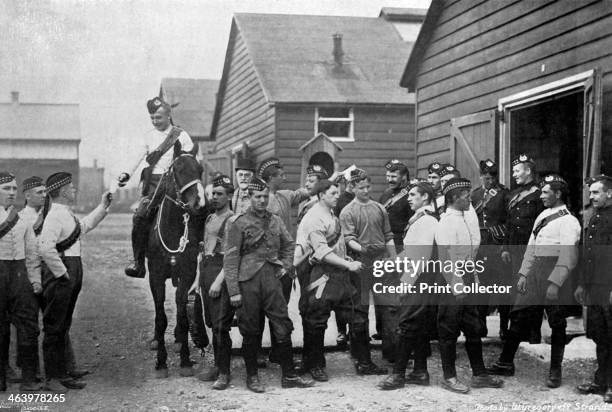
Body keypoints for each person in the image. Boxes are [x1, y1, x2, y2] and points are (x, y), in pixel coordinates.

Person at [488, 174, 580, 388]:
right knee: (519, 315)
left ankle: (555, 371)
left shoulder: (569, 221)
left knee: (557, 322)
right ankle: (505, 362)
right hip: (536, 271)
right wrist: (523, 274)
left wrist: (555, 283)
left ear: (558, 194)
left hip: (556, 274)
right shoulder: (541, 216)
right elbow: (531, 247)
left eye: (546, 192)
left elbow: (569, 256)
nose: (542, 196)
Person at [224, 177, 313, 393]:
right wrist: (234, 291)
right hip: (249, 281)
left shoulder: (275, 221)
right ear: (249, 198)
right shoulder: (238, 223)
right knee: (251, 329)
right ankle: (252, 376)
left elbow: (289, 244)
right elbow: (230, 259)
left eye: (265, 196)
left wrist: (286, 265)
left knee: (282, 326)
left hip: (272, 279)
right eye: (258, 197)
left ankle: (289, 375)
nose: (262, 200)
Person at [38, 172, 112, 392]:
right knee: (54, 326)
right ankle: (52, 378)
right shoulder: (54, 216)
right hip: (62, 273)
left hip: (71, 269)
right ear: (61, 191)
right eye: (71, 187)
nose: (74, 190)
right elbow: (45, 248)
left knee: (63, 325)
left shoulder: (64, 213)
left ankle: (62, 373)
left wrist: (102, 207)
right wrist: (61, 273)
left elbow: (83, 227)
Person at [435, 177, 503, 394]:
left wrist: (472, 279)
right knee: (448, 330)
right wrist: (456, 284)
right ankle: (449, 377)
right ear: (454, 198)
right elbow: (446, 257)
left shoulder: (465, 217)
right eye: (465, 195)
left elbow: (469, 255)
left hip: (466, 276)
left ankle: (480, 374)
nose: (469, 198)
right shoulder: (447, 221)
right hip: (451, 280)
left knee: (473, 328)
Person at [121, 97, 199, 279]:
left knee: (196, 210)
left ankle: (196, 252)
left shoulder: (181, 135)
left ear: (169, 115)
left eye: (159, 117)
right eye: (152, 118)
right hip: (154, 184)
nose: (155, 121)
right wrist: (126, 173)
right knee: (140, 216)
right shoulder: (148, 136)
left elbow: (189, 160)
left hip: (176, 181)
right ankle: (138, 262)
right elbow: (136, 157)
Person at [378, 182, 438, 390]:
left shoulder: (427, 221)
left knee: (406, 323)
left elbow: (420, 258)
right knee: (418, 325)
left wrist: (405, 284)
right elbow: (413, 251)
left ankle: (398, 375)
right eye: (409, 194)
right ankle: (420, 372)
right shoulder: (420, 219)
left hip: (420, 279)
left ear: (426, 198)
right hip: (420, 277)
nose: (409, 198)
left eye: (413, 195)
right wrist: (395, 260)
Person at [340, 168, 397, 363]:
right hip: (361, 263)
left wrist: (394, 259)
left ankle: (391, 353)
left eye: (368, 186)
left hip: (382, 262)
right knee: (360, 311)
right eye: (361, 187)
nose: (365, 190)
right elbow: (348, 239)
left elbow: (388, 235)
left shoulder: (379, 208)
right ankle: (361, 357)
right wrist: (364, 250)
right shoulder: (348, 211)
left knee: (389, 308)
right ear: (353, 188)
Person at [191, 174, 234, 390]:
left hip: (221, 272)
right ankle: (218, 365)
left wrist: (218, 282)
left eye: (219, 194)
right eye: (212, 194)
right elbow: (203, 252)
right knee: (210, 322)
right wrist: (198, 280)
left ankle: (225, 373)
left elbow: (232, 256)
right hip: (207, 269)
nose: (214, 198)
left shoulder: (232, 220)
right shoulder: (209, 219)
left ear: (229, 196)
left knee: (220, 326)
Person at [0, 172, 41, 392]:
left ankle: (28, 378)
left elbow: (33, 251)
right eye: (7, 188)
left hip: (20, 273)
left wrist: (35, 280)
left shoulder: (23, 217)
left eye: (14, 189)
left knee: (28, 325)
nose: (12, 193)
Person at [499, 154, 544, 340]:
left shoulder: (540, 193)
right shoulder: (513, 194)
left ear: (528, 171)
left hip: (530, 249)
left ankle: (533, 334)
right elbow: (508, 223)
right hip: (514, 250)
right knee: (513, 289)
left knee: (531, 291)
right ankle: (513, 332)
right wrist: (505, 247)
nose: (514, 174)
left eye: (517, 170)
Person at [576, 175, 612, 402]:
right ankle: (601, 381)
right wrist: (582, 283)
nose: (592, 197)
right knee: (600, 335)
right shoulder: (595, 217)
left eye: (596, 192)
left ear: (610, 193)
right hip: (596, 286)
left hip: (609, 287)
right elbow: (587, 254)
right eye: (590, 193)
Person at [470, 160, 510, 338]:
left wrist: (504, 244)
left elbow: (508, 221)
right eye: (485, 177)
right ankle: (481, 325)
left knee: (500, 286)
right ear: (481, 176)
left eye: (492, 176)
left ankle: (503, 326)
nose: (488, 180)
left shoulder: (504, 194)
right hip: (480, 245)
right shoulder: (475, 194)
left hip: (496, 244)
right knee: (481, 286)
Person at [379, 159, 413, 253]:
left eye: (393, 176)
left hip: (401, 244)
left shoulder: (412, 194)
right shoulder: (386, 193)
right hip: (384, 242)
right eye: (387, 176)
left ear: (404, 177)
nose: (389, 180)